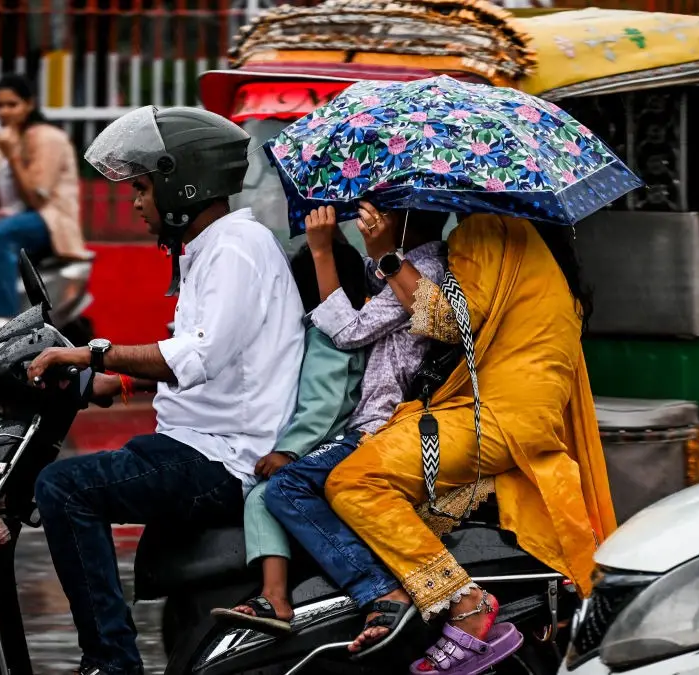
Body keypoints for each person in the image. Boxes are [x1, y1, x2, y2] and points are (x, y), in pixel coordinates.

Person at [23, 106, 305, 675]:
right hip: (196, 441)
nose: (135, 202)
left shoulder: (234, 249)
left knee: (63, 488)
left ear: (185, 182)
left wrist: (92, 352)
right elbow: (208, 354)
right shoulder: (211, 248)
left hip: (223, 458)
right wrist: (115, 380)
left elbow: (194, 357)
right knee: (62, 487)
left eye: (144, 188)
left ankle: (111, 661)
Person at [325, 209, 619, 674]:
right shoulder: (538, 242)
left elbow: (450, 322)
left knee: (352, 481)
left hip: (496, 420)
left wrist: (385, 256)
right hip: (519, 419)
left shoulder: (484, 229)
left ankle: (463, 599)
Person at [261, 202, 450, 644]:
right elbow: (361, 284)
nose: (366, 212)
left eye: (375, 206)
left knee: (285, 487)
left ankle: (381, 588)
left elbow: (346, 330)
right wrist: (338, 242)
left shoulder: (424, 269)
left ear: (402, 215)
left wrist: (322, 250)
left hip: (379, 425)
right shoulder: (408, 262)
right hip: (369, 419)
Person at [209, 238, 369, 633]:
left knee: (265, 496)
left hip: (333, 444)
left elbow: (324, 404)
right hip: (335, 441)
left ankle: (275, 596)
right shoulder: (331, 328)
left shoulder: (327, 333)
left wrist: (289, 452)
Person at [0, 74, 90, 345]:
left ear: (29, 105)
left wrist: (11, 155)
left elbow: (37, 197)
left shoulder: (47, 137)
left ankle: (4, 317)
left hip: (49, 220)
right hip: (20, 218)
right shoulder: (10, 137)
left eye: (12, 105)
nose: (4, 112)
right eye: (0, 106)